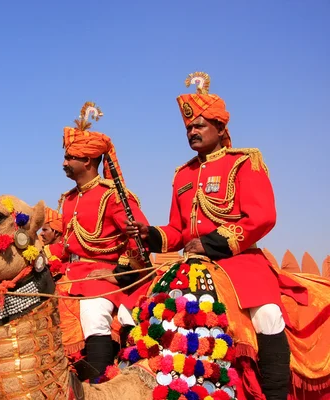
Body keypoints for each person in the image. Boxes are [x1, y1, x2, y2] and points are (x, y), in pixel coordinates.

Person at [126, 72, 290, 400]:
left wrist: (214, 242)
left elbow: (263, 217)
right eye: (188, 128)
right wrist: (151, 234)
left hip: (240, 263)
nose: (193, 132)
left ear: (220, 128)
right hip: (192, 266)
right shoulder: (182, 174)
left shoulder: (244, 162)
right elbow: (177, 230)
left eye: (199, 125)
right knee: (143, 314)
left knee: (268, 316)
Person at [43, 102, 150, 381]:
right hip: (70, 276)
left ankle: (99, 384)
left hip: (104, 277)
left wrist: (117, 274)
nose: (64, 163)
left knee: (93, 311)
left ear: (88, 161)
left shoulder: (112, 195)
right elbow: (65, 247)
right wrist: (35, 253)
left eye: (69, 158)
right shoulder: (68, 199)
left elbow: (139, 239)